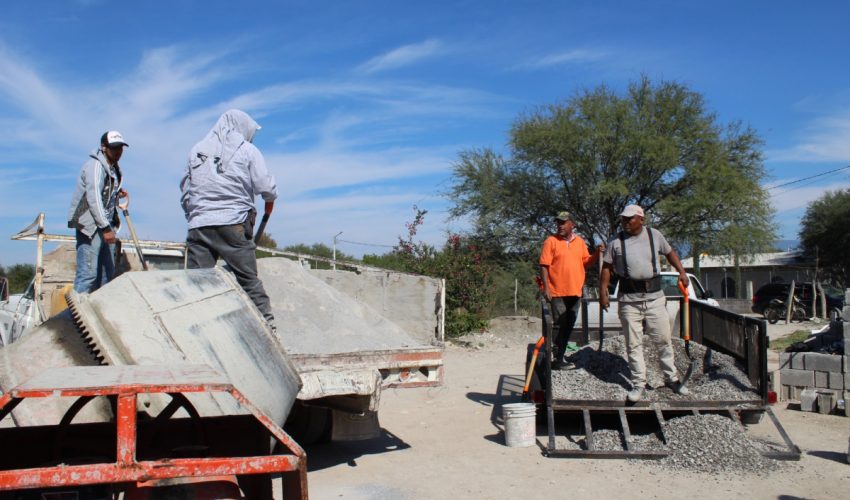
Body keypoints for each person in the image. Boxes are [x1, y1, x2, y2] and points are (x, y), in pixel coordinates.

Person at [180, 109, 277, 330]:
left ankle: (195, 327)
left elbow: (186, 190)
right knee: (247, 279)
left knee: (198, 283)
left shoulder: (196, 150)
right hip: (233, 224)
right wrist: (271, 197)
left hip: (199, 226)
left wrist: (195, 215)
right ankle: (267, 326)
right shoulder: (248, 150)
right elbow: (265, 185)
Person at [599, 204, 690, 402]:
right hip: (629, 300)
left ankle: (671, 378)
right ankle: (638, 383)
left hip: (655, 298)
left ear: (641, 219)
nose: (625, 222)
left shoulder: (654, 235)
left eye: (630, 219)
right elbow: (606, 267)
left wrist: (682, 272)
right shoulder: (615, 242)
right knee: (633, 344)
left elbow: (670, 252)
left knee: (663, 339)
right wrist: (603, 291)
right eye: (623, 219)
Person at [539, 211, 604, 369]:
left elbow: (586, 262)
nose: (560, 226)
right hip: (557, 292)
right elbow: (544, 265)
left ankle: (559, 357)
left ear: (572, 225)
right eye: (558, 223)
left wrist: (596, 253)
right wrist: (547, 287)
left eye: (563, 223)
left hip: (575, 291)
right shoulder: (551, 241)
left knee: (568, 325)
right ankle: (554, 357)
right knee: (558, 324)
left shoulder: (580, 242)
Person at [68, 131, 129, 293]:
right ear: (104, 147)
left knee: (106, 276)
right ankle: (75, 317)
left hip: (105, 225)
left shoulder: (113, 168)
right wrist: (106, 228)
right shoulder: (95, 166)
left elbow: (104, 194)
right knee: (87, 275)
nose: (118, 152)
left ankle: (98, 315)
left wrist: (117, 193)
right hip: (91, 227)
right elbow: (93, 198)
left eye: (121, 148)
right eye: (114, 148)